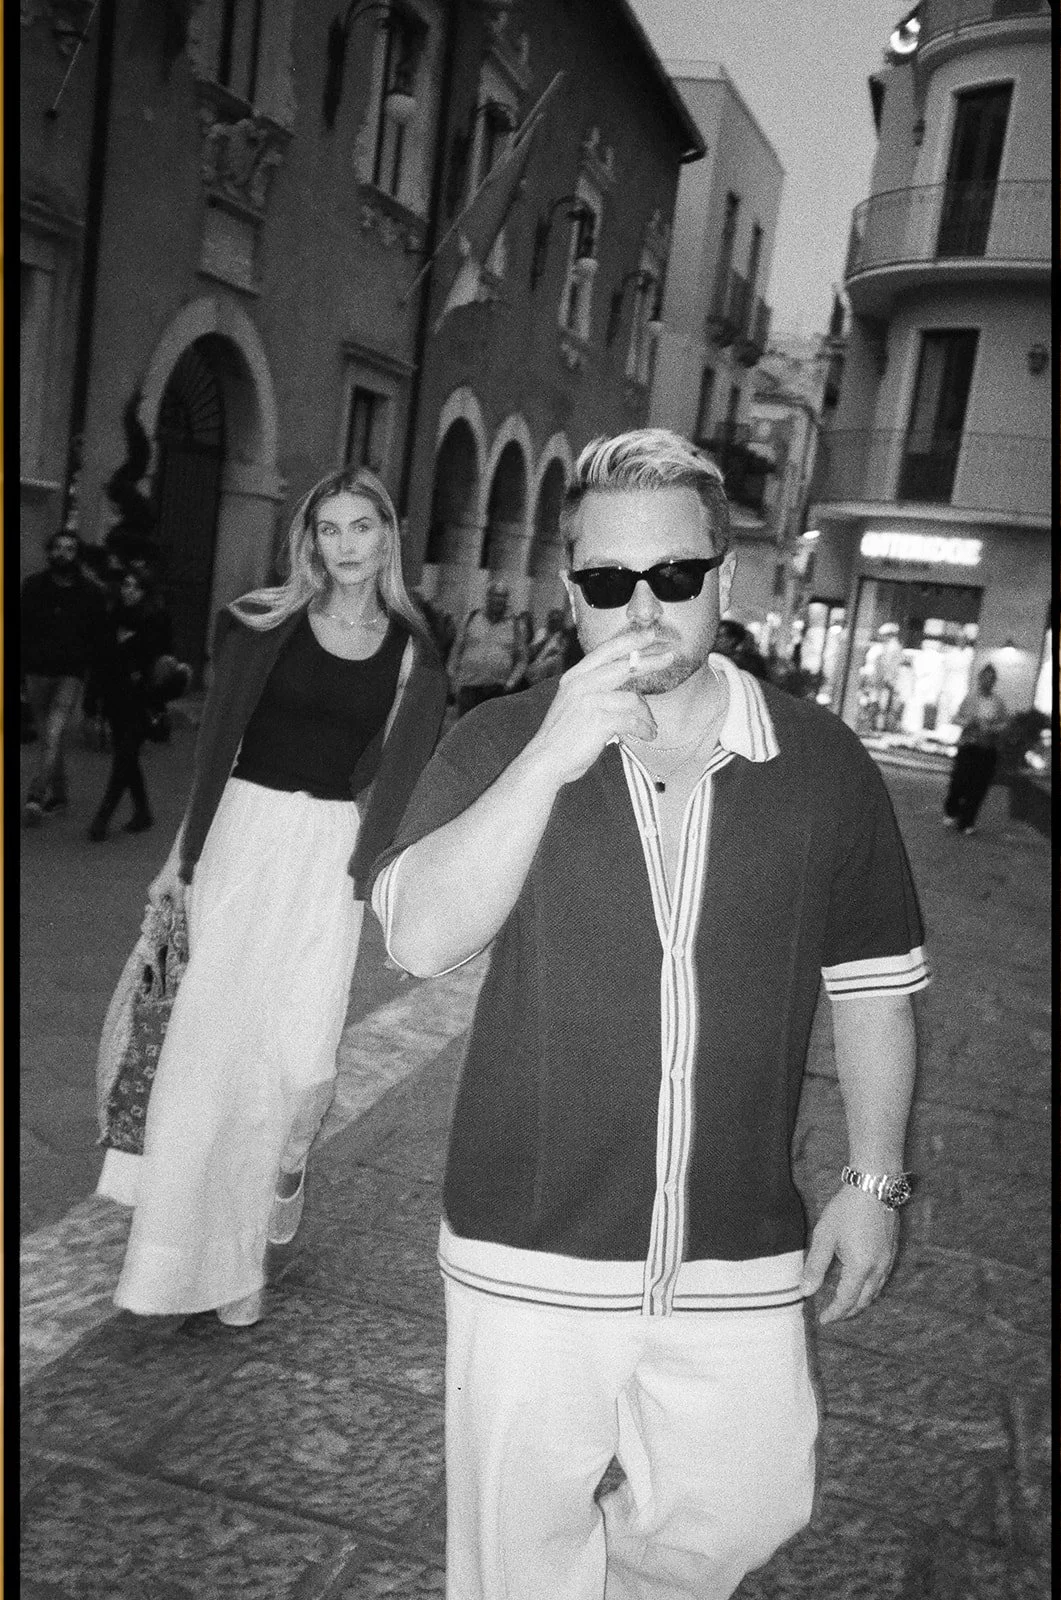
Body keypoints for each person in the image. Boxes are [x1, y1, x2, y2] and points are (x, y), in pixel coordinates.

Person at [369, 429, 930, 1600]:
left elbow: (871, 987)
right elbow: (419, 937)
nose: (641, 607)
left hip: (738, 1244)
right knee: (510, 1555)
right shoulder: (499, 740)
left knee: (744, 1507)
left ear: (725, 576)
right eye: (607, 582)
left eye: (673, 576)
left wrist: (872, 1180)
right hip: (526, 1247)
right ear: (570, 588)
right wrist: (550, 758)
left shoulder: (820, 765)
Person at [97, 465, 448, 1327]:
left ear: (387, 535)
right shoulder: (263, 625)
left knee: (293, 1062)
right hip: (236, 844)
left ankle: (265, 1200)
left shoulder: (414, 651)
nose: (346, 546)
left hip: (326, 858)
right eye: (328, 530)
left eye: (360, 527)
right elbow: (219, 745)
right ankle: (189, 1270)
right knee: (205, 1058)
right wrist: (178, 862)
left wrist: (379, 877)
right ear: (309, 541)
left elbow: (395, 779)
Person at [20, 530, 107, 825]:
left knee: (54, 734)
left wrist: (92, 682)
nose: (62, 554)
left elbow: (97, 639)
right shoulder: (32, 587)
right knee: (48, 737)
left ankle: (35, 796)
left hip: (70, 674)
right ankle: (60, 794)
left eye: (69, 549)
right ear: (49, 552)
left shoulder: (91, 594)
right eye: (57, 548)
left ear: (77, 554)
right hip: (35, 671)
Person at [86, 569, 171, 840]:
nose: (129, 591)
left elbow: (162, 660)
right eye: (126, 585)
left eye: (136, 586)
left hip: (142, 700)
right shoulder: (112, 618)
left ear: (145, 591)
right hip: (114, 697)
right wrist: (93, 699)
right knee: (128, 757)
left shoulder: (156, 619)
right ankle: (143, 811)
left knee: (124, 755)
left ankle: (102, 817)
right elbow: (100, 660)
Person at [943, 662, 1009, 835]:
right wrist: (968, 722)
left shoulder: (998, 703)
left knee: (978, 787)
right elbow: (956, 717)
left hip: (987, 749)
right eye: (985, 679)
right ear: (980, 679)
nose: (988, 682)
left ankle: (967, 821)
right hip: (969, 746)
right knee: (960, 781)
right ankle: (952, 809)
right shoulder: (970, 698)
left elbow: (1005, 724)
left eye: (991, 679)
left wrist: (993, 728)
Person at [448, 580, 526, 716]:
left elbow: (522, 659)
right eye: (495, 595)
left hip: (497, 690)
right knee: (465, 731)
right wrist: (453, 679)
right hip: (469, 688)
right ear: (488, 597)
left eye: (503, 596)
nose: (499, 600)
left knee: (490, 733)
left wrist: (510, 683)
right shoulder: (471, 618)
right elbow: (456, 651)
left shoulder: (516, 624)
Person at [524, 606, 570, 686]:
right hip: (534, 666)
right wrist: (544, 640)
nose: (554, 623)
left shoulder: (563, 636)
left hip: (550, 670)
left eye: (557, 620)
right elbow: (531, 651)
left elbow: (560, 654)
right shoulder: (542, 632)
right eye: (552, 620)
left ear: (561, 622)